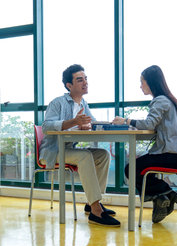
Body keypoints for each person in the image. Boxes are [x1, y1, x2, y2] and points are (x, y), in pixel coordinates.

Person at [39, 64, 120, 227]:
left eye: (86, 79)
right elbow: (46, 127)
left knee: (103, 154)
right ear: (69, 85)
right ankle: (96, 211)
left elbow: (92, 123)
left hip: (69, 150)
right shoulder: (57, 103)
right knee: (85, 156)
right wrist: (74, 122)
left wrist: (90, 126)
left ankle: (93, 203)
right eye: (79, 80)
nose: (85, 82)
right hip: (52, 151)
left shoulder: (83, 104)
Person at [112, 65, 177, 223]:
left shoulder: (160, 100)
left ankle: (167, 193)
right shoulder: (169, 100)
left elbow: (149, 124)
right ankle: (163, 196)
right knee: (137, 167)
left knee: (132, 168)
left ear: (151, 83)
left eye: (142, 82)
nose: (140, 85)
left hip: (174, 155)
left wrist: (126, 120)